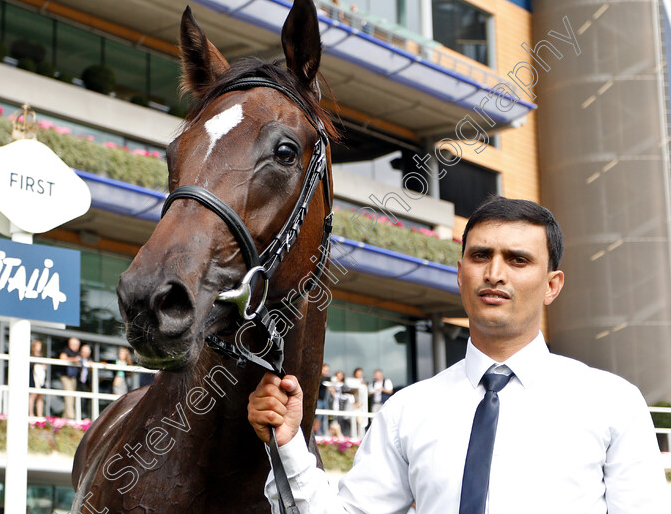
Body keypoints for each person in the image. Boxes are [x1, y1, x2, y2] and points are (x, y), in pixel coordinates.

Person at [248, 196, 668, 513]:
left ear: (552, 285)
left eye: (517, 260)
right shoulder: (407, 412)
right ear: (460, 272)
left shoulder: (613, 403)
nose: (495, 273)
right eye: (480, 255)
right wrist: (288, 443)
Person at [59, 337, 80, 419]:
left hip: (73, 378)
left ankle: (65, 418)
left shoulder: (77, 352)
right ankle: (71, 417)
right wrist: (73, 360)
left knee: (72, 398)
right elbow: (62, 357)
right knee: (69, 396)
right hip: (66, 377)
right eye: (76, 344)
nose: (77, 346)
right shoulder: (66, 350)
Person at [28, 339, 47, 417]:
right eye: (38, 345)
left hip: (40, 379)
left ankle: (39, 415)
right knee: (33, 395)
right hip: (33, 378)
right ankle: (31, 413)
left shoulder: (41, 355)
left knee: (40, 396)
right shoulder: (30, 355)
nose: (39, 347)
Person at [77, 344, 93, 418]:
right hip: (79, 383)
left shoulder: (91, 360)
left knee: (87, 400)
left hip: (87, 384)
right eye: (83, 351)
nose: (84, 353)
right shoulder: (77, 359)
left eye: (86, 352)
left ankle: (86, 416)